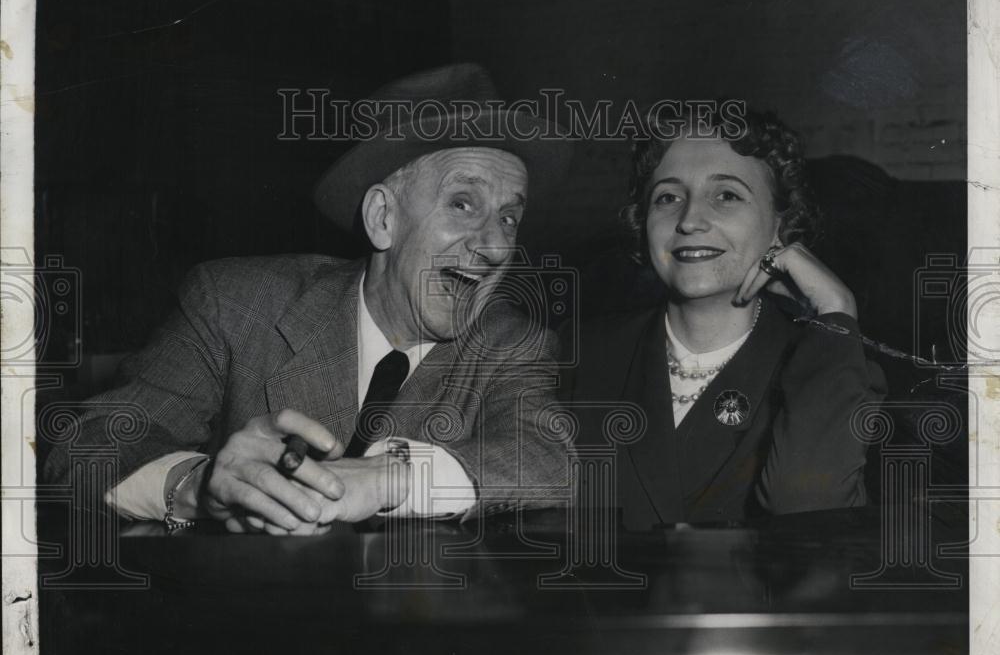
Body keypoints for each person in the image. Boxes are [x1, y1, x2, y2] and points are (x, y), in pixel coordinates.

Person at [43, 63, 575, 534]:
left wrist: (391, 479)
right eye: (463, 204)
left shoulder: (511, 343)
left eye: (509, 217)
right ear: (383, 218)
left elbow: (552, 461)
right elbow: (85, 445)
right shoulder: (236, 304)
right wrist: (199, 486)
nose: (498, 245)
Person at [560, 105, 887, 529]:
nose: (691, 220)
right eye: (668, 197)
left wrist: (836, 310)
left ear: (779, 226)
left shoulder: (833, 364)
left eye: (727, 195)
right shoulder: (575, 354)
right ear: (644, 223)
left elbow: (809, 509)